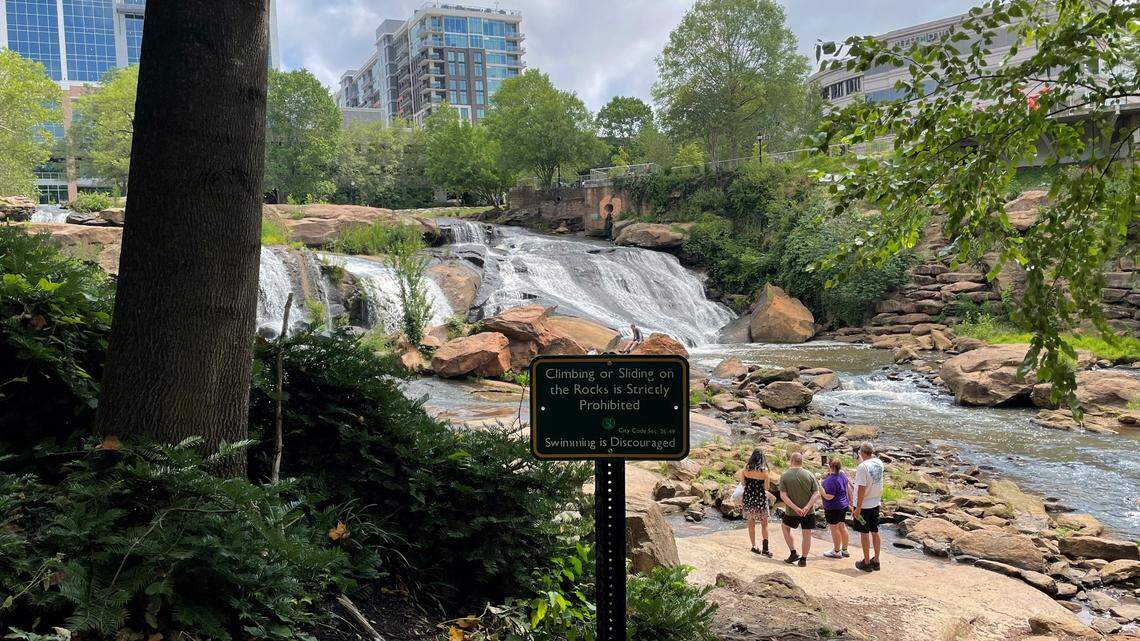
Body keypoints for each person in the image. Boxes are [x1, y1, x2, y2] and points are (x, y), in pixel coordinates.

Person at [778, 451, 820, 567]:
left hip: (792, 512)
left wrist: (796, 508)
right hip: (808, 511)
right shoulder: (810, 474)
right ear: (801, 461)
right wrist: (807, 507)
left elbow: (783, 496)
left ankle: (793, 552)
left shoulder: (785, 476)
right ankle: (804, 560)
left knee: (785, 527)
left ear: (791, 461)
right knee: (806, 534)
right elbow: (816, 494)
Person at [852, 442, 885, 572]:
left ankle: (866, 563)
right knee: (875, 531)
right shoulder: (879, 462)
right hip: (875, 503)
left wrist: (858, 508)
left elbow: (861, 488)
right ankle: (876, 560)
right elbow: (866, 465)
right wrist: (859, 459)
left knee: (864, 533)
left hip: (864, 505)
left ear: (861, 452)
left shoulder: (862, 468)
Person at [738, 449, 773, 557]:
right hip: (760, 498)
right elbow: (766, 487)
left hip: (748, 497)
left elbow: (743, 483)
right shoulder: (765, 471)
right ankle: (765, 549)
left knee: (751, 523)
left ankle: (754, 546)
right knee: (764, 524)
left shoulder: (746, 468)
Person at [819, 457, 851, 559]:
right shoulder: (842, 474)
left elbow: (829, 496)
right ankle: (844, 550)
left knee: (834, 528)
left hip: (833, 507)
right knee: (842, 526)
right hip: (843, 505)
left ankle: (836, 551)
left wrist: (820, 487)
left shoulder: (830, 481)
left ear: (830, 466)